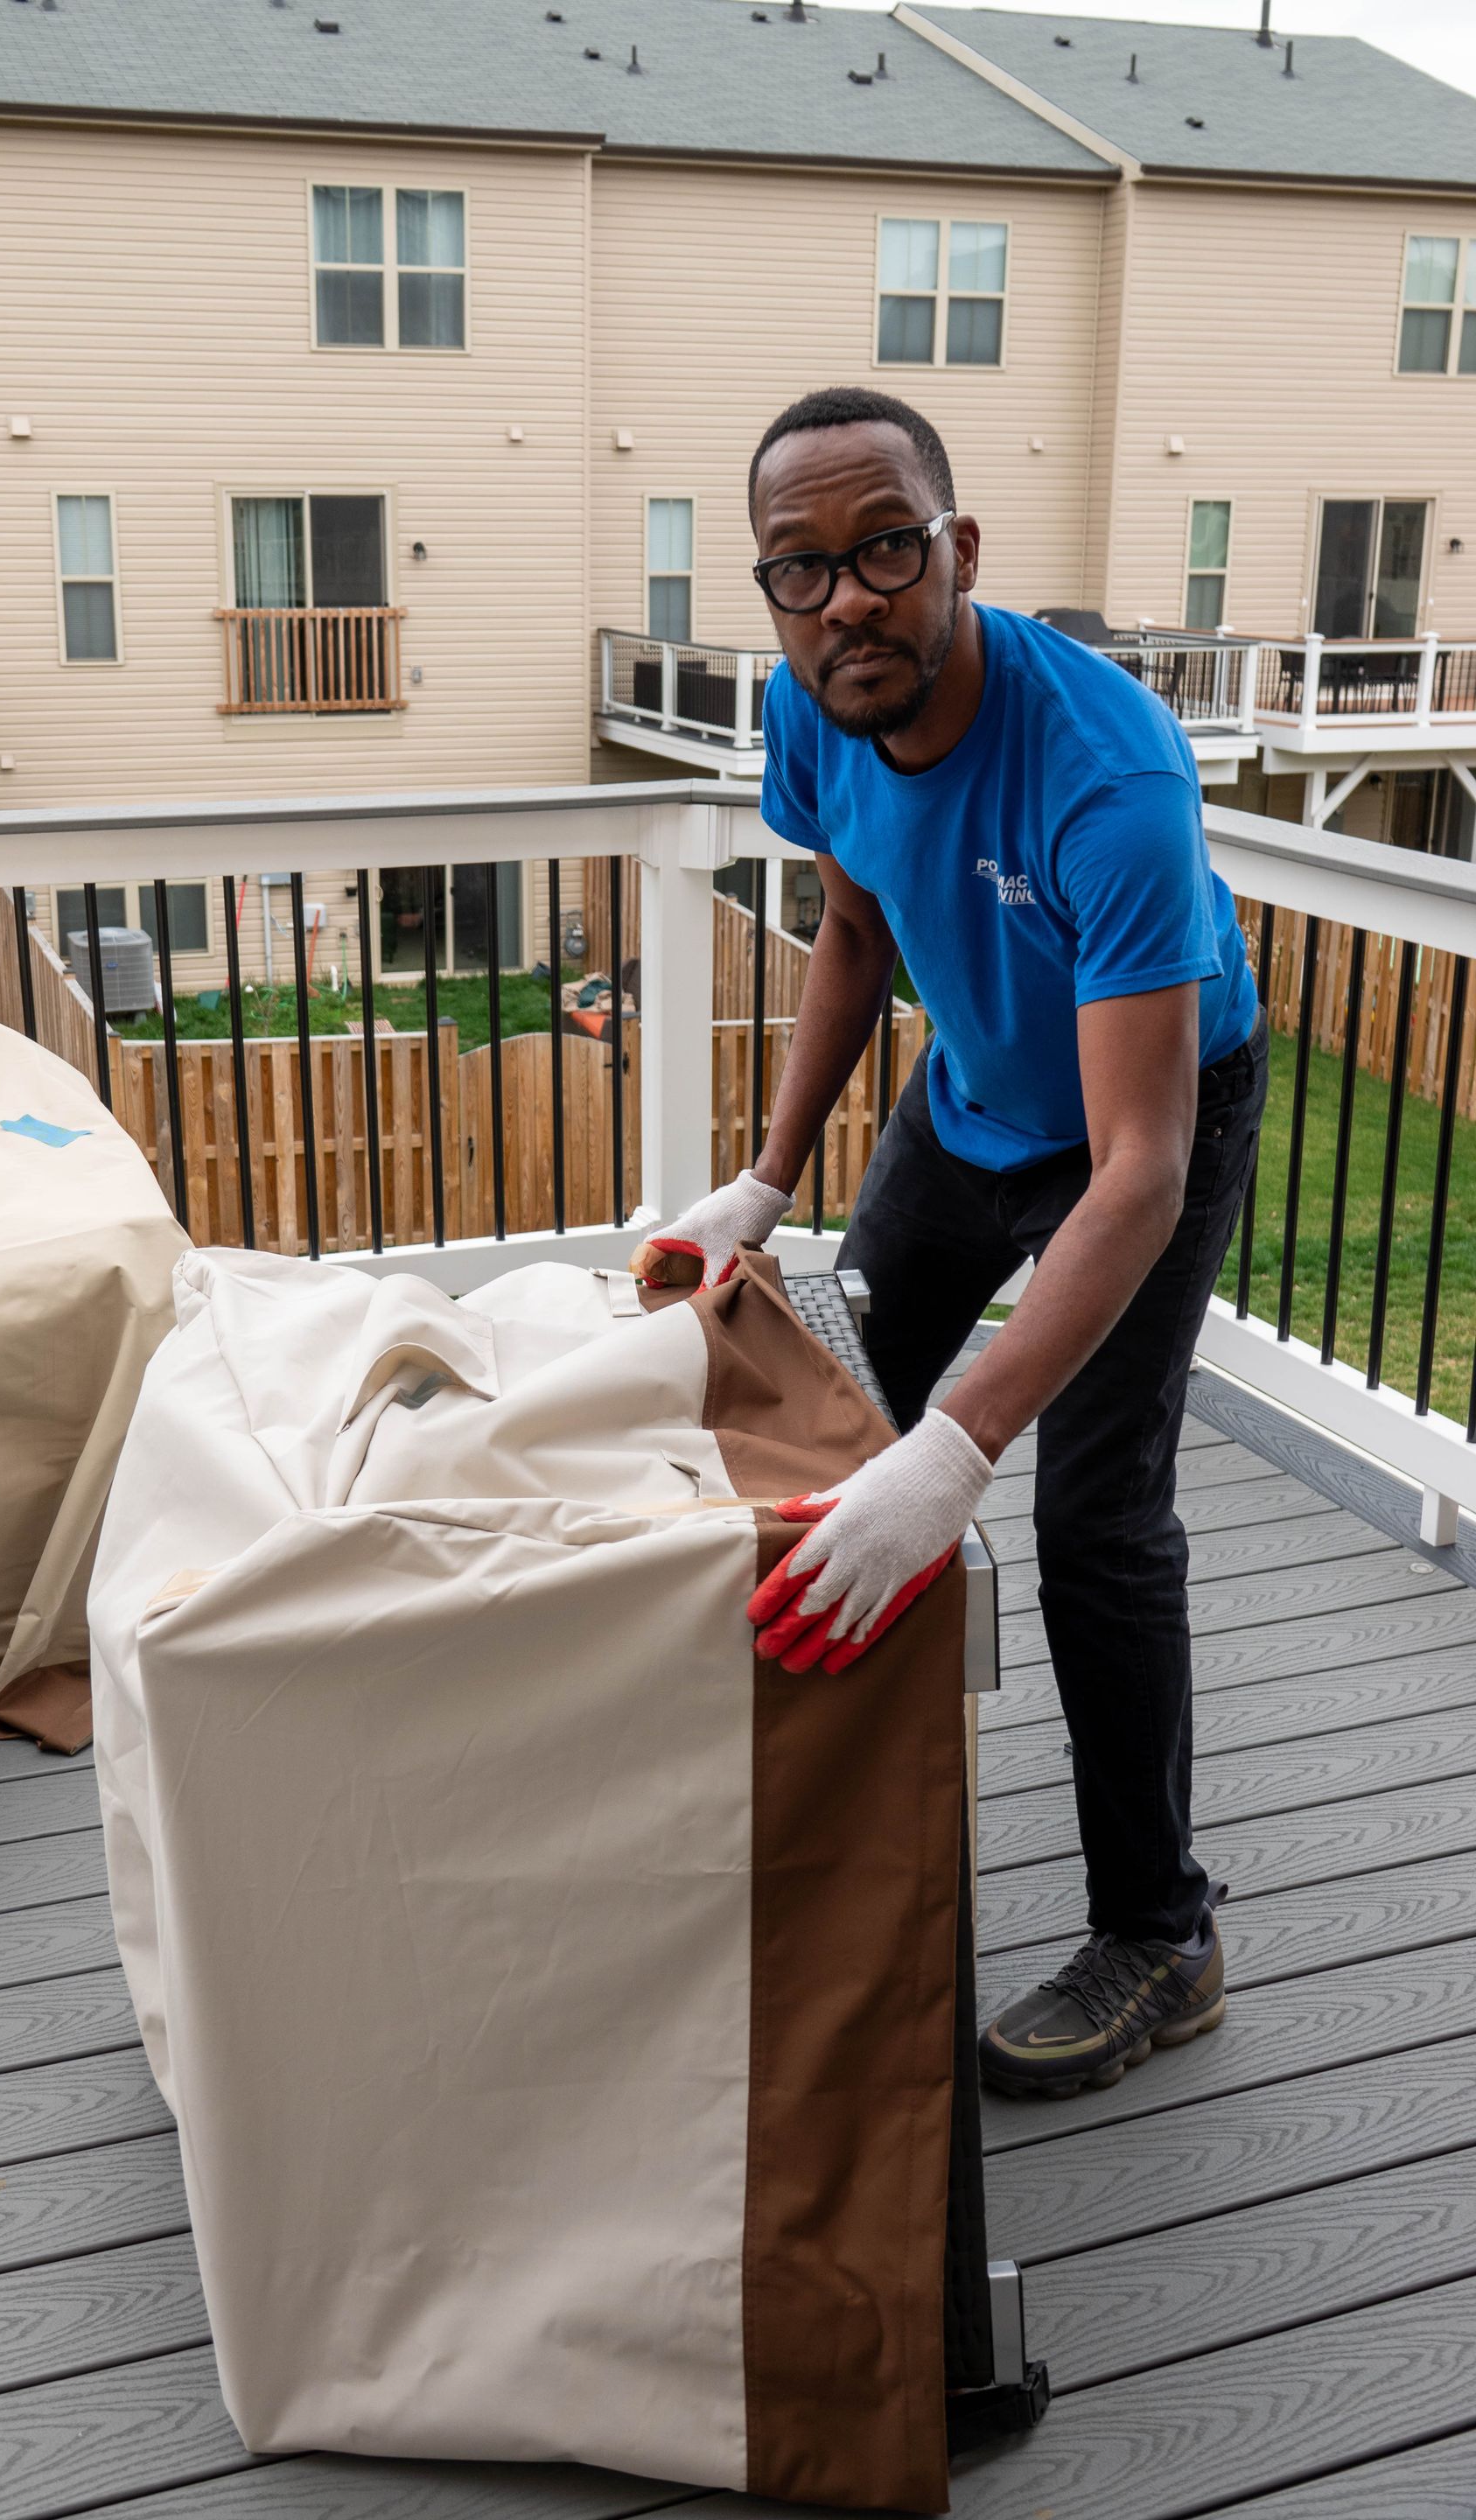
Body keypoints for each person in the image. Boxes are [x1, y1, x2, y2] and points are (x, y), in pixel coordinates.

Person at [640, 386, 1268, 2100]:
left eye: (886, 550)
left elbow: (1135, 1171)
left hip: (1150, 1121)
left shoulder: (1109, 769)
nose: (848, 598)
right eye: (803, 568)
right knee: (827, 1399)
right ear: (768, 593)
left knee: (1093, 1511)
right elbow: (852, 922)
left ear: (959, 551)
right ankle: (827, 1816)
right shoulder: (810, 709)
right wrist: (765, 1182)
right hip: (972, 1092)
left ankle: (1165, 1933)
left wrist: (968, 1444)